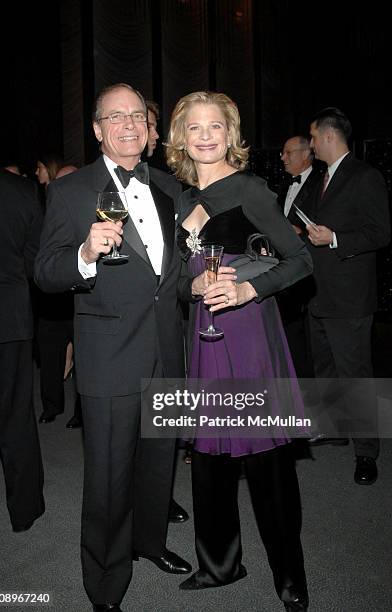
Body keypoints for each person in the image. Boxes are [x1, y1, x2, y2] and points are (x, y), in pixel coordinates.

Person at [35, 82, 192, 612]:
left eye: (137, 117)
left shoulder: (171, 190)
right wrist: (83, 252)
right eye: (114, 117)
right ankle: (104, 583)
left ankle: (150, 542)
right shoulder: (71, 190)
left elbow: (172, 274)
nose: (129, 125)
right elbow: (46, 271)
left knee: (158, 463)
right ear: (98, 129)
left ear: (150, 131)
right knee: (107, 478)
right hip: (109, 357)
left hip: (166, 352)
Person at [166, 91, 312, 611]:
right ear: (180, 137)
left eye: (216, 127)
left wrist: (250, 290)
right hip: (205, 336)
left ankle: (289, 575)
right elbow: (180, 283)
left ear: (232, 134)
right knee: (208, 458)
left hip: (249, 333)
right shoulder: (182, 200)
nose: (206, 136)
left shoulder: (250, 189)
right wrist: (193, 289)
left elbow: (300, 261)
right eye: (195, 127)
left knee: (268, 460)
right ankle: (220, 565)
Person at [305, 107, 390, 484]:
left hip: (350, 297)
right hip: (319, 294)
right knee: (325, 369)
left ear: (328, 135)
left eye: (312, 136)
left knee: (357, 376)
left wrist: (335, 239)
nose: (309, 144)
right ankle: (336, 430)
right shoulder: (323, 177)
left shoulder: (365, 175)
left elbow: (380, 233)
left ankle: (367, 452)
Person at [0, 108, 45, 532]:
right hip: (8, 316)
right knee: (16, 414)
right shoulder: (20, 191)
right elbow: (34, 266)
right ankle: (24, 510)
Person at [34, 153, 81, 428]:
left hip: (80, 300)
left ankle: (81, 413)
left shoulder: (92, 214)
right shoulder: (45, 212)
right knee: (49, 356)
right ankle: (51, 406)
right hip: (51, 301)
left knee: (85, 362)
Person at [275, 135, 321, 379]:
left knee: (309, 338)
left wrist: (301, 232)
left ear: (306, 154)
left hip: (314, 270)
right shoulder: (284, 185)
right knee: (290, 332)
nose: (282, 157)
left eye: (288, 152)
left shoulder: (321, 183)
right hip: (286, 271)